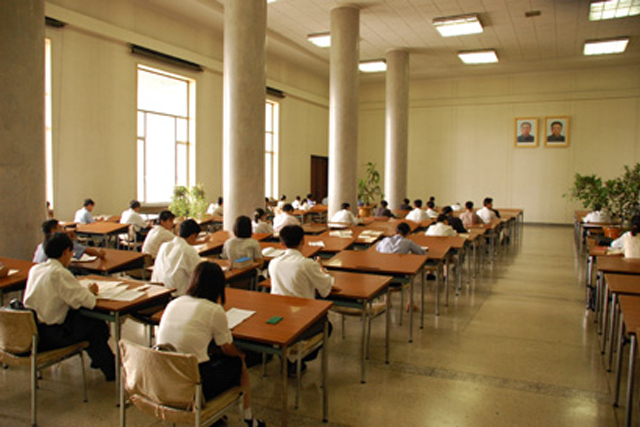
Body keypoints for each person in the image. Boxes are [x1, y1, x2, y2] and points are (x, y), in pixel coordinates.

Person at [156, 262, 266, 427]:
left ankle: (216, 417)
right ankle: (249, 418)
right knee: (239, 363)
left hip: (163, 378)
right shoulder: (214, 310)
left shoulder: (174, 303)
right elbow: (227, 348)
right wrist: (240, 354)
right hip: (195, 384)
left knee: (212, 356)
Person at [23, 232, 116, 381]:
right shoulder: (59, 273)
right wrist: (90, 291)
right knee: (96, 325)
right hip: (51, 334)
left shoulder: (36, 269)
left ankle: (104, 364)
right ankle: (111, 370)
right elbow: (88, 302)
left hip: (31, 331)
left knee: (90, 325)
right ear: (66, 251)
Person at [269, 225, 333, 375]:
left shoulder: (273, 263)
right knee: (326, 325)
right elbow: (325, 290)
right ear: (303, 241)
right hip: (301, 318)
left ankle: (287, 357)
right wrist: (323, 271)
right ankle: (298, 358)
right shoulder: (307, 264)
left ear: (282, 244)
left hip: (277, 316)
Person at [152, 219, 201, 296]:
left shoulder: (164, 246)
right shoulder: (188, 250)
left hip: (158, 292)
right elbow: (200, 274)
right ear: (193, 236)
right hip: (177, 296)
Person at [33, 219, 105, 263]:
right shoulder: (60, 242)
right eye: (60, 228)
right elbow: (87, 250)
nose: (64, 230)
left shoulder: (41, 245)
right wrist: (100, 254)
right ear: (53, 231)